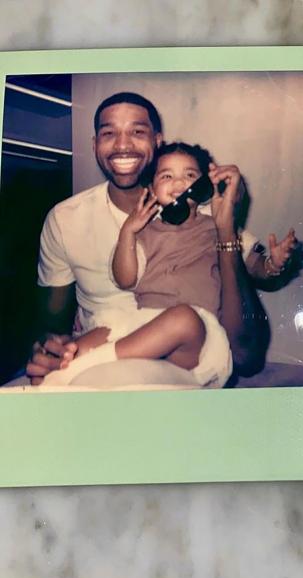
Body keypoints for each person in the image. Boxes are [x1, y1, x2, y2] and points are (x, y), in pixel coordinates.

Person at [24, 92, 273, 386]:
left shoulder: (204, 210)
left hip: (182, 360)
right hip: (102, 349)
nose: (122, 144)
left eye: (137, 132)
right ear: (94, 145)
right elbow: (51, 324)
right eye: (108, 133)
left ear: (157, 141)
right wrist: (49, 347)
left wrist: (226, 227)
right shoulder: (66, 219)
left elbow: (247, 354)